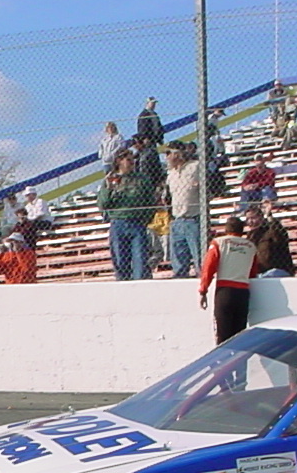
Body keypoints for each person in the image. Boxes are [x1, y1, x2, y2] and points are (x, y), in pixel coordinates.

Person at [97, 149, 156, 281]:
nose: (132, 162)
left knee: (140, 259)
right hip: (118, 223)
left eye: (133, 160)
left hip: (137, 223)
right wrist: (108, 188)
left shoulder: (141, 179)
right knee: (120, 261)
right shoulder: (110, 179)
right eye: (128, 160)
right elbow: (102, 204)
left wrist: (144, 220)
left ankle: (140, 285)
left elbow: (151, 202)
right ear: (119, 161)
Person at [198, 216, 258, 345]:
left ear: (226, 229)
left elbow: (209, 268)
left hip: (224, 291)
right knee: (239, 337)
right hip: (243, 293)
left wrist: (203, 290)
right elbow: (253, 272)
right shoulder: (251, 246)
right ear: (242, 230)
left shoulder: (218, 243)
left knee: (223, 337)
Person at [164, 141, 202, 278]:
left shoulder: (196, 166)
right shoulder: (170, 173)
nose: (167, 157)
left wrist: (201, 186)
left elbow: (215, 184)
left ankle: (203, 279)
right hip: (177, 220)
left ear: (178, 154)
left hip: (194, 218)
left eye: (168, 153)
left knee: (200, 257)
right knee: (178, 260)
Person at [244, 203, 296, 277]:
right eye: (247, 219)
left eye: (253, 218)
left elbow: (279, 234)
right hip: (260, 272)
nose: (250, 221)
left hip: (277, 270)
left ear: (261, 217)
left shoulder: (271, 229)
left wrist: (269, 215)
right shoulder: (251, 236)